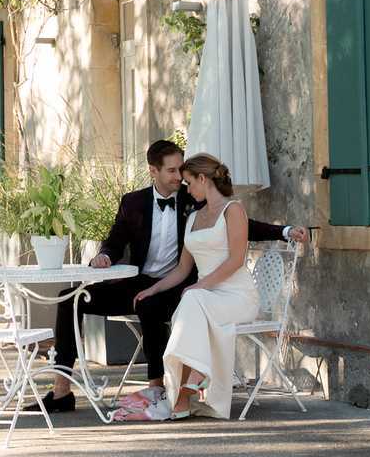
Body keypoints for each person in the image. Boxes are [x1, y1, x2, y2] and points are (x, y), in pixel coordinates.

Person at [41, 139, 307, 413]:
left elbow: (239, 224)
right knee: (69, 299)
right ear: (153, 171)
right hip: (142, 282)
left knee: (149, 305)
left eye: (182, 169)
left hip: (182, 286)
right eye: (172, 170)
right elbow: (115, 241)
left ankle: (158, 387)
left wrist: (284, 231)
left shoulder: (194, 197)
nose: (179, 176)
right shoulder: (132, 202)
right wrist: (105, 256)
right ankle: (61, 390)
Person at [127, 153, 260, 421]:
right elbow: (182, 269)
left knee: (192, 300)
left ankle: (187, 388)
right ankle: (191, 382)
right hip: (205, 300)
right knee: (193, 301)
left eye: (189, 182)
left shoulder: (233, 210)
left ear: (203, 178)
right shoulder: (193, 217)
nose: (186, 188)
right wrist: (154, 290)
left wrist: (200, 286)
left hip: (237, 297)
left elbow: (236, 260)